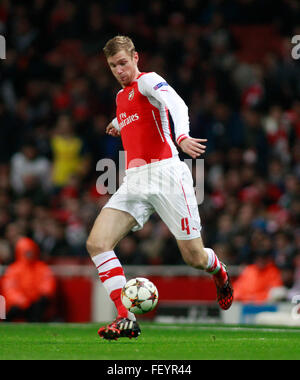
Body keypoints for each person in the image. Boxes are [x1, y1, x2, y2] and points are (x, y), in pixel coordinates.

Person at [86, 36, 233, 341]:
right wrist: (118, 121)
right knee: (97, 243)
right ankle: (125, 317)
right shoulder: (120, 97)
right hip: (136, 179)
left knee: (193, 257)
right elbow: (135, 112)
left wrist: (182, 137)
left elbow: (175, 103)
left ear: (135, 57)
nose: (119, 70)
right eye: (113, 66)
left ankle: (218, 269)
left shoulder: (149, 80)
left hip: (167, 174)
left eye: (123, 63)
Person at [1, 237, 57, 322]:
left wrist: (36, 298)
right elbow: (9, 289)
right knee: (12, 311)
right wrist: (22, 300)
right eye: (26, 252)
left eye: (31, 251)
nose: (29, 254)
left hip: (36, 302)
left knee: (41, 304)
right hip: (20, 304)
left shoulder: (42, 267)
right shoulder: (13, 269)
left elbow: (48, 286)